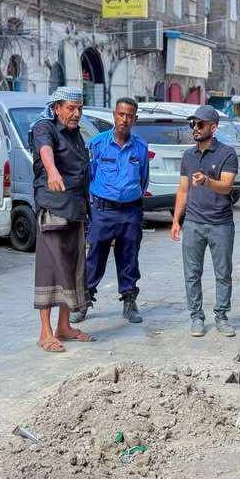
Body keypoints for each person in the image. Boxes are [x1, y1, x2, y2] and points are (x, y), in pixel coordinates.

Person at [29, 87, 94, 353]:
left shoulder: (75, 133)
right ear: (56, 108)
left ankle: (64, 327)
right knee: (50, 268)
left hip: (75, 208)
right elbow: (46, 150)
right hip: (53, 207)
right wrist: (52, 171)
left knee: (71, 267)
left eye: (79, 109)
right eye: (70, 108)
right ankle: (45, 333)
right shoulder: (44, 127)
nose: (76, 113)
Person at [73, 98, 149, 325]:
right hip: (103, 210)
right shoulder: (98, 144)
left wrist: (129, 197)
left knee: (129, 257)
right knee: (95, 256)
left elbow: (143, 179)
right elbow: (90, 175)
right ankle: (84, 300)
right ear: (114, 115)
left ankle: (129, 301)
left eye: (129, 116)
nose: (124, 119)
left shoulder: (141, 147)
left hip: (131, 211)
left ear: (135, 119)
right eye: (121, 114)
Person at [171, 105, 239, 338]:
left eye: (200, 124)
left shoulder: (227, 153)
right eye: (193, 124)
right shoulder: (188, 156)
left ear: (213, 127)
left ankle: (221, 316)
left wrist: (207, 181)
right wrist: (176, 220)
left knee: (223, 273)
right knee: (192, 273)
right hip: (193, 223)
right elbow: (183, 190)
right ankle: (196, 317)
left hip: (221, 224)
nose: (195, 128)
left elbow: (226, 186)